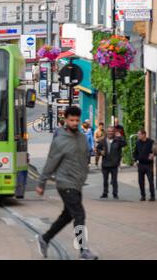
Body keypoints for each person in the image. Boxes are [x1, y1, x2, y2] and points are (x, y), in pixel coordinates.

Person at [36, 106, 98, 260]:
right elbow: (51, 162)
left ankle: (45, 238)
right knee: (79, 214)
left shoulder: (82, 138)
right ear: (65, 120)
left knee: (67, 216)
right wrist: (41, 182)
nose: (75, 123)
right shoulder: (60, 140)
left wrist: (83, 176)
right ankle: (83, 250)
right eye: (71, 120)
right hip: (65, 183)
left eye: (77, 120)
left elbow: (85, 158)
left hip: (77, 184)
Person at [97, 126, 126, 199]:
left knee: (114, 180)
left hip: (114, 164)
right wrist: (100, 152)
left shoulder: (117, 140)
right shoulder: (103, 140)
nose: (110, 132)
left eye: (112, 131)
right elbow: (98, 148)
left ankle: (115, 194)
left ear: (114, 132)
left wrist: (120, 137)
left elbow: (124, 144)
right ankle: (105, 193)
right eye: (109, 131)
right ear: (106, 132)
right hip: (105, 164)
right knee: (105, 180)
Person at [133, 129, 155, 201]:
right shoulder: (137, 142)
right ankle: (143, 196)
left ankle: (152, 196)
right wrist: (135, 160)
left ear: (144, 134)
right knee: (140, 181)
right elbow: (135, 153)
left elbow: (155, 151)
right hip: (141, 165)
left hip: (149, 165)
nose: (138, 136)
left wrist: (153, 155)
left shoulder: (151, 142)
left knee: (150, 181)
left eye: (139, 134)